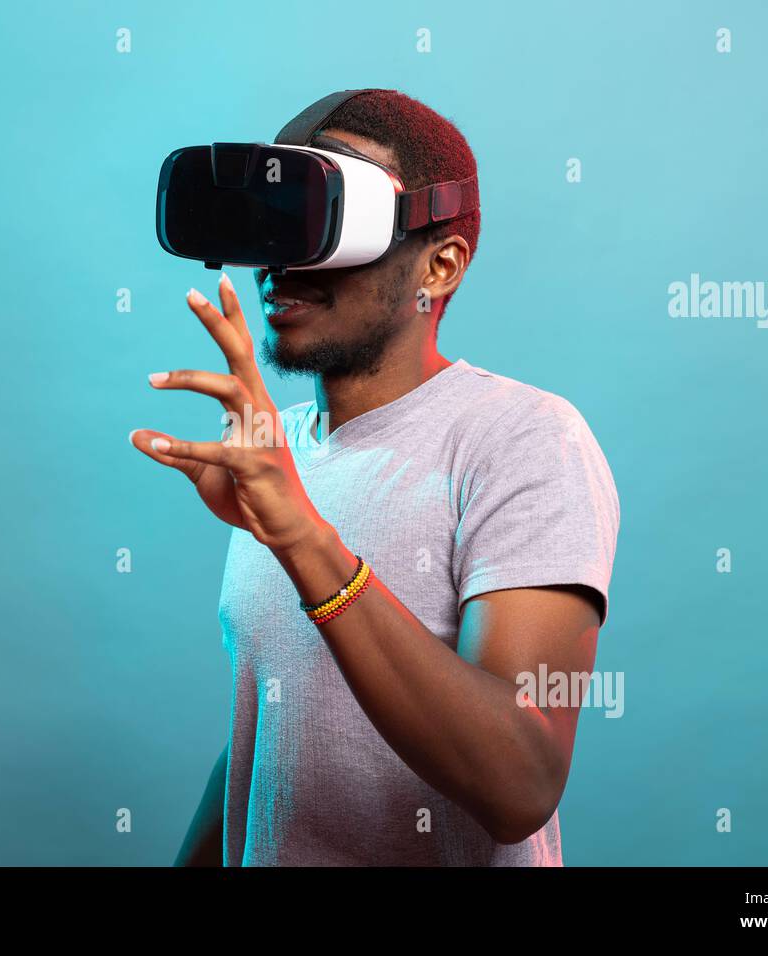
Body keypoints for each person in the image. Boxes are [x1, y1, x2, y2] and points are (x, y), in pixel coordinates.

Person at [131, 89, 619, 866]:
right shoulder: (278, 451)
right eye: (274, 219)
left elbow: (520, 782)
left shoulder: (524, 439)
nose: (282, 260)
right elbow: (278, 741)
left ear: (441, 262)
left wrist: (300, 535)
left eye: (325, 218)